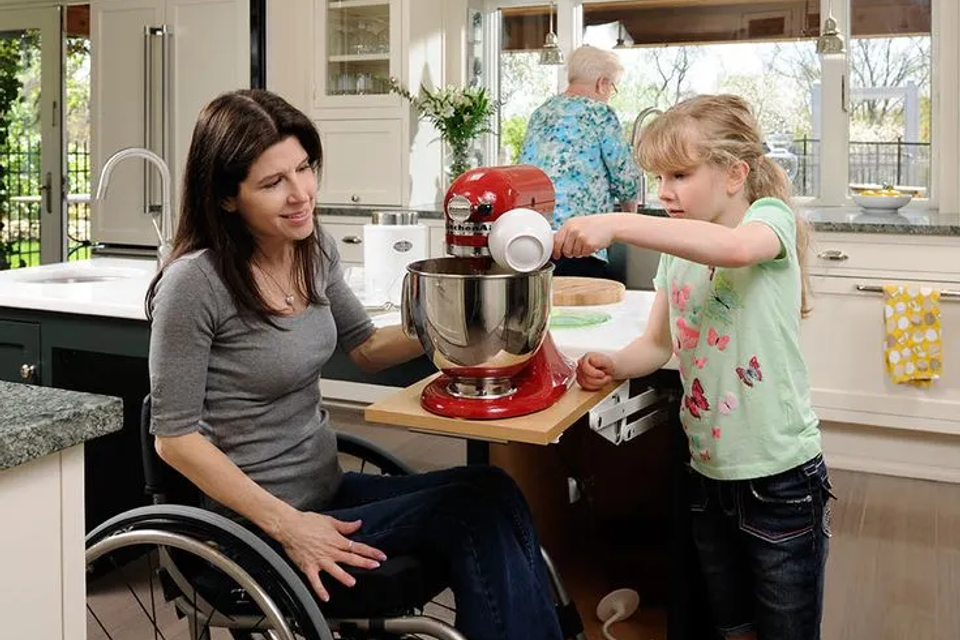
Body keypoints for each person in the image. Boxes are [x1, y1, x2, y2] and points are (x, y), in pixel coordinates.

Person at [146, 88, 564, 640]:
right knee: (472, 515)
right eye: (273, 183)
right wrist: (290, 526)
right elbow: (174, 440)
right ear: (226, 198)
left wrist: (470, 316)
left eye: (304, 169)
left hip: (327, 493)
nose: (301, 195)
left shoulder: (309, 248)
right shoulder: (194, 285)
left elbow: (365, 346)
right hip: (253, 529)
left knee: (496, 488)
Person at [554, 94, 833, 640]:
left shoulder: (766, 220)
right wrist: (611, 362)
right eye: (658, 178)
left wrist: (618, 223)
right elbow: (657, 348)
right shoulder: (678, 255)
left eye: (678, 174)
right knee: (732, 629)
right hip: (707, 475)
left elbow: (732, 250)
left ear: (734, 174)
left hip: (779, 482)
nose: (663, 193)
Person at [519, 44, 640, 280]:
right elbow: (625, 177)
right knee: (587, 312)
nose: (609, 93)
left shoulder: (540, 113)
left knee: (548, 311)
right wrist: (630, 219)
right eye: (612, 87)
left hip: (537, 238)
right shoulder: (600, 113)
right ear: (601, 83)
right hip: (581, 241)